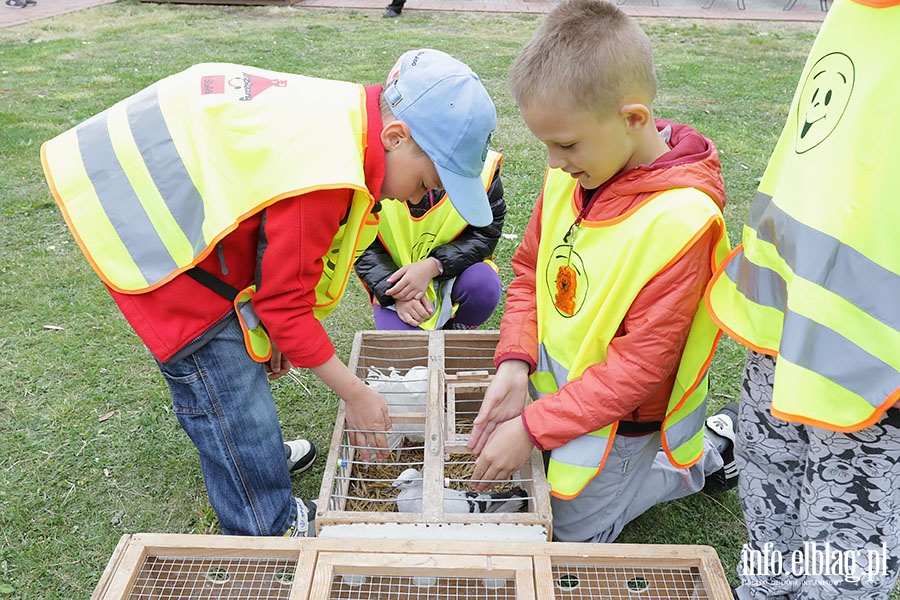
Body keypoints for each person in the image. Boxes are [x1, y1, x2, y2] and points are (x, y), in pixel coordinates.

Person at [40, 49, 497, 538]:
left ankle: (254, 452)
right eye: (424, 182)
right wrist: (356, 393)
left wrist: (273, 327)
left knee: (242, 379)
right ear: (395, 137)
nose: (413, 199)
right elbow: (284, 303)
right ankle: (267, 518)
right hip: (156, 240)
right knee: (225, 382)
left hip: (188, 201)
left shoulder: (347, 119)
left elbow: (273, 250)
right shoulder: (324, 177)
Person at [467, 0, 737, 544]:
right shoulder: (572, 173)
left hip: (623, 424)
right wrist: (516, 362)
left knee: (568, 538)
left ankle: (698, 461)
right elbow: (526, 274)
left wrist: (532, 429)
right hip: (561, 398)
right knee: (546, 489)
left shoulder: (682, 222)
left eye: (564, 144)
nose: (553, 163)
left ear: (633, 119)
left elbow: (639, 368)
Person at [705, 0, 900, 597]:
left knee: (843, 544)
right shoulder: (852, 12)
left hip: (874, 371)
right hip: (787, 336)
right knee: (770, 490)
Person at [355, 58, 505, 332]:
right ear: (395, 138)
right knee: (400, 347)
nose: (417, 195)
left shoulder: (484, 173)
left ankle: (454, 327)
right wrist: (395, 292)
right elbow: (361, 249)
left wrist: (435, 265)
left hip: (450, 272)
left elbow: (486, 233)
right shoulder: (362, 173)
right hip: (398, 285)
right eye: (425, 183)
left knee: (483, 285)